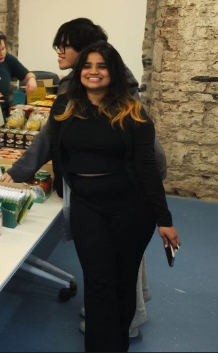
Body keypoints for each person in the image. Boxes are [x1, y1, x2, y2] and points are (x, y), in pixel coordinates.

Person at [2, 17, 166, 337]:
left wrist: (18, 171)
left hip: (120, 192)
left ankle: (119, 326)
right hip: (111, 191)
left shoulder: (101, 89)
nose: (58, 52)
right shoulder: (94, 83)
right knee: (112, 264)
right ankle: (114, 321)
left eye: (64, 45)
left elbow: (50, 137)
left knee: (115, 264)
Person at [45, 41, 181, 352]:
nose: (93, 72)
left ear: (113, 71)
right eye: (88, 66)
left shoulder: (132, 111)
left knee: (122, 281)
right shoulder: (65, 106)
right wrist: (59, 185)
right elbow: (56, 148)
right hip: (86, 206)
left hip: (131, 208)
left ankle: (118, 344)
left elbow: (147, 168)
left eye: (101, 66)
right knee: (98, 280)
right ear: (80, 71)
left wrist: (165, 219)